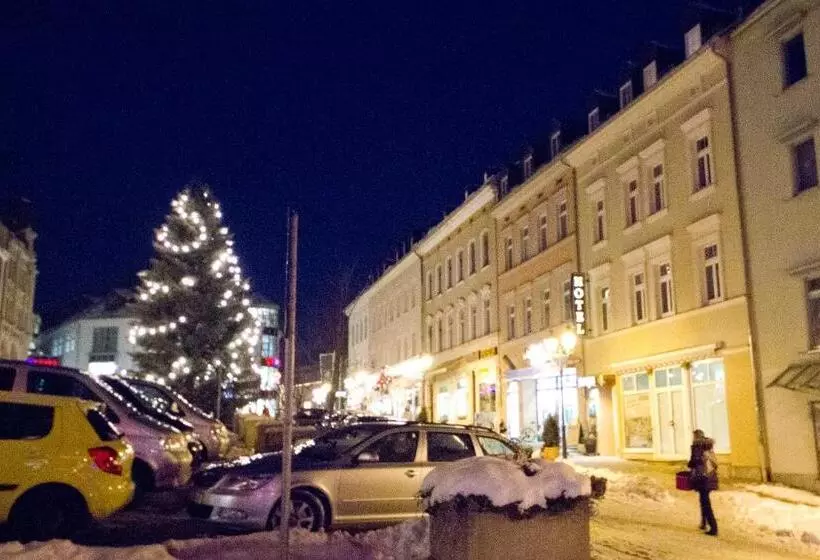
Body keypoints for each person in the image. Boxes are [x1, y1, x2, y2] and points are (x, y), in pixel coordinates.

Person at [688, 429, 719, 536]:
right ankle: (704, 523)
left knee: (705, 503)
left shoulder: (697, 448)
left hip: (702, 478)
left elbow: (693, 462)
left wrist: (690, 464)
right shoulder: (709, 448)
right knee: (704, 500)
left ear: (696, 437)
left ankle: (713, 527)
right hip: (710, 477)